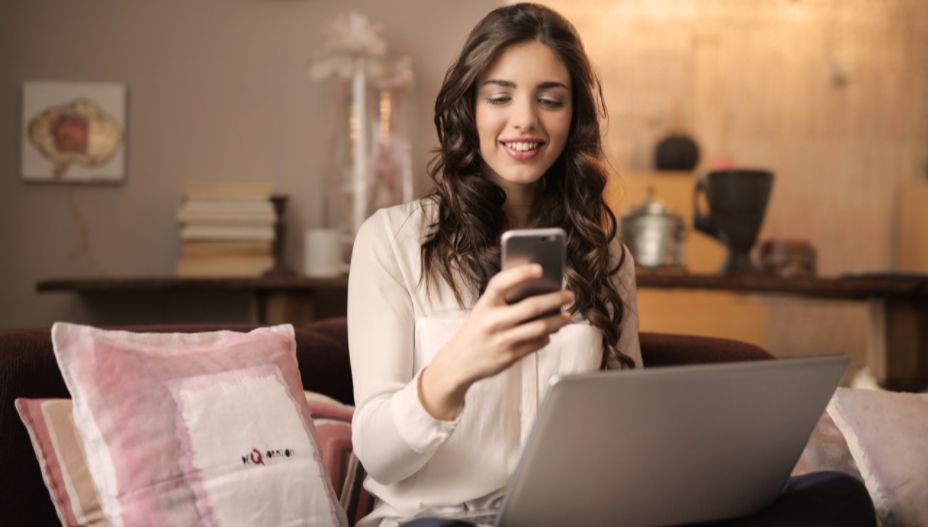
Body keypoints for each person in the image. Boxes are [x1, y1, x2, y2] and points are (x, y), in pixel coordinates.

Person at [347, 4, 876, 527]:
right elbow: (379, 455)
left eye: (549, 99)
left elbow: (626, 423)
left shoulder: (604, 255)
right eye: (500, 96)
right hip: (440, 521)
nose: (525, 119)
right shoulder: (394, 241)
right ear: (470, 108)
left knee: (837, 498)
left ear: (573, 116)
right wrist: (455, 367)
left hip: (575, 517)